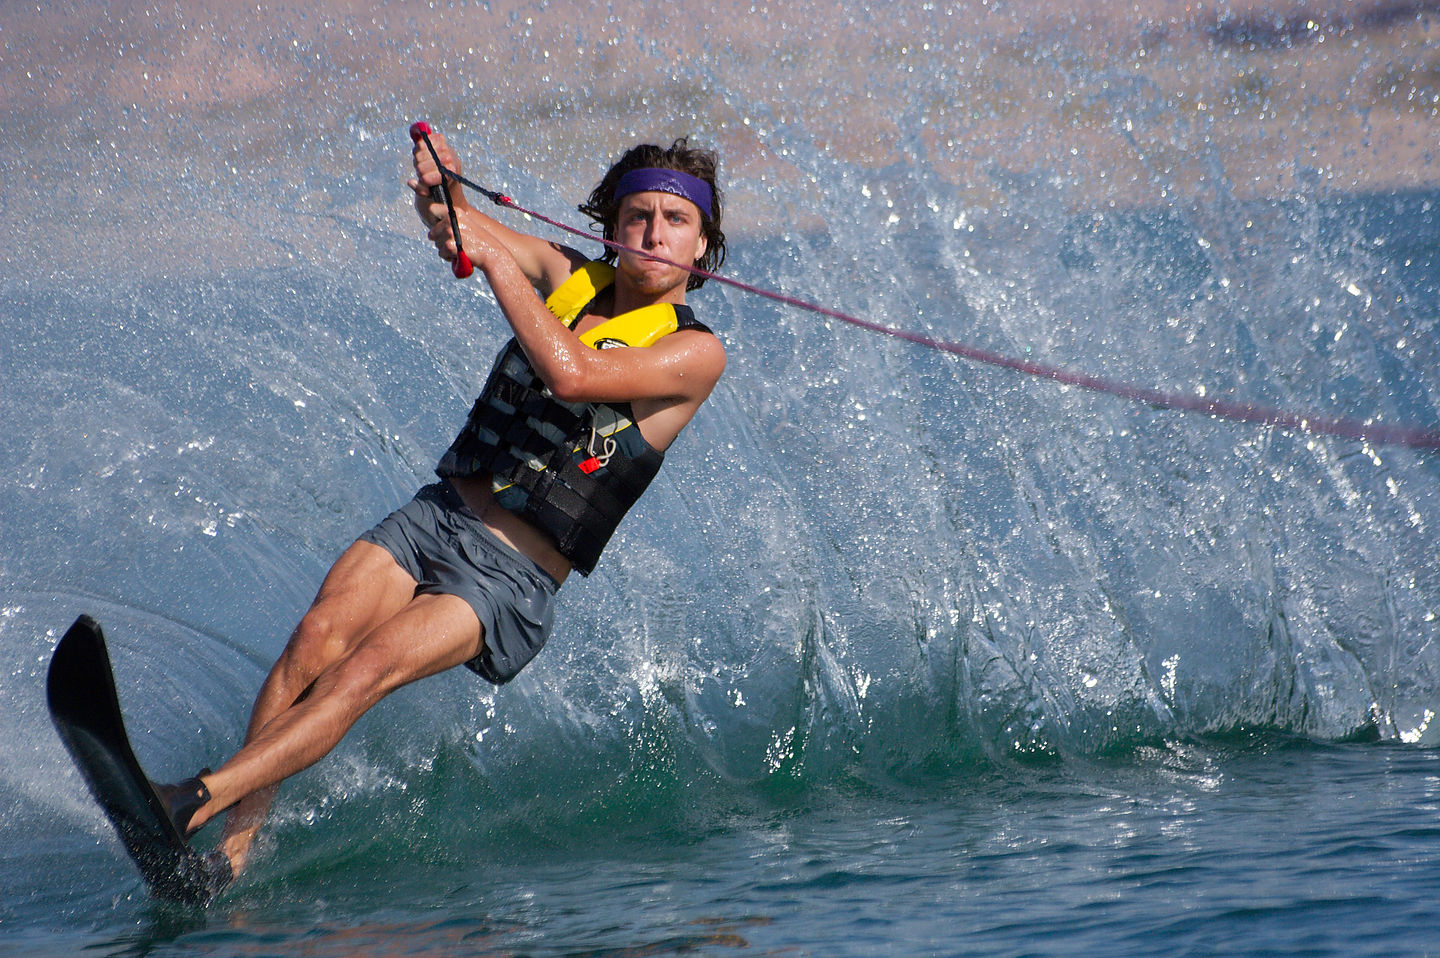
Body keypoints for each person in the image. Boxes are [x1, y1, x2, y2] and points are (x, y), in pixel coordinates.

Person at [155, 127, 729, 891]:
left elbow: (575, 372)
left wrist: (492, 257)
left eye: (675, 221)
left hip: (508, 578)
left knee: (362, 672)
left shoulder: (695, 354)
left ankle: (191, 799)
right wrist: (442, 190)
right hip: (438, 516)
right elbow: (460, 226)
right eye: (638, 217)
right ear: (613, 228)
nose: (654, 233)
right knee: (314, 643)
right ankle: (227, 858)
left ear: (701, 242)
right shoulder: (567, 273)